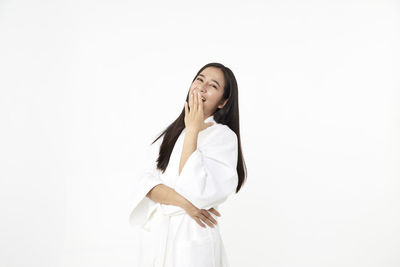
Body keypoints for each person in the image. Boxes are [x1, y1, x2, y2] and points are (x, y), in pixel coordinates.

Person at [128, 62, 247, 267]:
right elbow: (145, 184)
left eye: (213, 85)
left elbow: (196, 191)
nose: (202, 87)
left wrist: (193, 130)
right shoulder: (172, 132)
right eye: (199, 79)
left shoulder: (223, 137)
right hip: (160, 236)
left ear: (222, 102)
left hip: (193, 235)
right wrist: (185, 204)